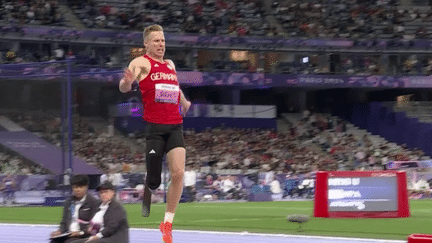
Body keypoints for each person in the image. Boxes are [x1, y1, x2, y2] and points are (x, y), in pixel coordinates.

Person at [119, 24, 191, 243]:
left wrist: (185, 102)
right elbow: (124, 86)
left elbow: (174, 87)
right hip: (155, 129)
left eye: (163, 40)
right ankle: (150, 183)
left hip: (175, 126)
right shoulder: (140, 63)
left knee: (179, 173)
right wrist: (127, 82)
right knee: (154, 181)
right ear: (146, 43)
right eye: (156, 41)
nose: (161, 44)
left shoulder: (170, 64)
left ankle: (167, 223)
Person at [50, 174, 100, 243]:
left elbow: (95, 226)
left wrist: (81, 233)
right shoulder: (69, 202)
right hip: (68, 234)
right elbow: (64, 222)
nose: (78, 190)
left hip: (84, 236)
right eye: (75, 187)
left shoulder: (93, 203)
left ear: (86, 187)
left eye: (81, 187)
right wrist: (60, 231)